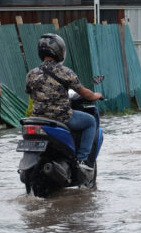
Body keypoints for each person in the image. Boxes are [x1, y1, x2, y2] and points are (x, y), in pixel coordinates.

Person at [25, 33, 103, 172]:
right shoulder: (65, 72)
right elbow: (84, 93)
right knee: (90, 121)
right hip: (61, 118)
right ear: (59, 51)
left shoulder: (31, 74)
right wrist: (96, 95)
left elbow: (31, 93)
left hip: (38, 119)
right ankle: (82, 159)